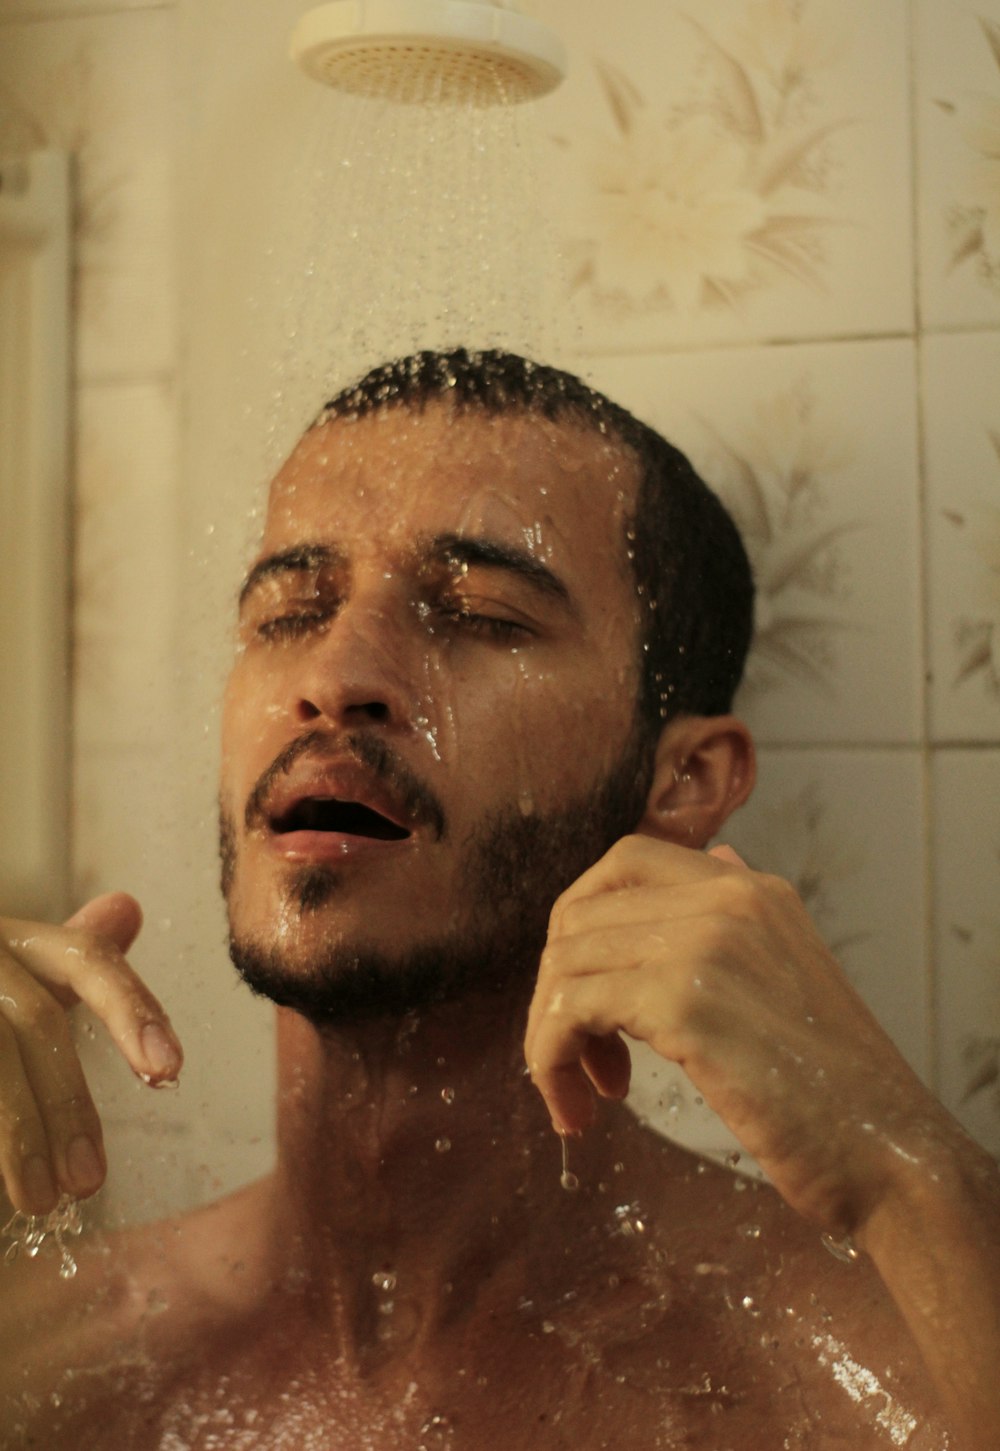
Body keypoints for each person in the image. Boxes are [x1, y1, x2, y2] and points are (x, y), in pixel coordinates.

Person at [0, 349, 996, 1450]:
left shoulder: (867, 1376)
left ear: (683, 782)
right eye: (291, 609)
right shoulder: (51, 1360)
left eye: (478, 614)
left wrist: (902, 1161)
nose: (334, 674)